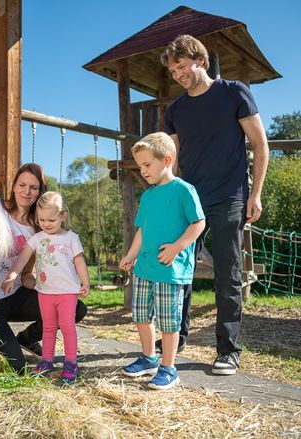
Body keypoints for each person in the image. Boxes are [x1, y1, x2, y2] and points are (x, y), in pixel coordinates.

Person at [161, 35, 270, 375]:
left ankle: (227, 350)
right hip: (189, 202)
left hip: (229, 196)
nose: (178, 75)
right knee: (179, 272)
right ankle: (175, 338)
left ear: (201, 61)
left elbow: (260, 145)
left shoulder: (234, 92)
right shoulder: (175, 110)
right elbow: (173, 162)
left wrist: (255, 194)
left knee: (228, 275)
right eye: (173, 70)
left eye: (182, 67)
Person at [119, 132, 205, 390]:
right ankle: (148, 358)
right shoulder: (148, 196)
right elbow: (142, 231)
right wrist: (130, 255)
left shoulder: (184, 190)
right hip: (145, 268)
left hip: (170, 270)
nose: (143, 171)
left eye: (147, 165)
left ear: (167, 160)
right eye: (140, 166)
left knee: (169, 322)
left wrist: (178, 247)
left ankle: (169, 368)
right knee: (141, 316)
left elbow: (199, 223)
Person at [0, 164, 87, 374]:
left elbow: (27, 272)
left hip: (16, 295)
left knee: (76, 309)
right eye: (22, 185)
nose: (26, 191)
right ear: (13, 187)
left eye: (33, 187)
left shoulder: (38, 228)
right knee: (17, 367)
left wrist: (42, 282)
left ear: (40, 192)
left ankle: (27, 338)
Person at [2, 191, 90, 383]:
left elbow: (79, 261)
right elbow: (23, 257)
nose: (46, 224)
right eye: (41, 219)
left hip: (67, 292)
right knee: (49, 328)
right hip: (45, 292)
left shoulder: (71, 238)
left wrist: (85, 282)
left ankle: (70, 363)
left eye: (51, 219)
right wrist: (12, 275)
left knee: (67, 327)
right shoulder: (37, 238)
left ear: (63, 216)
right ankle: (47, 361)